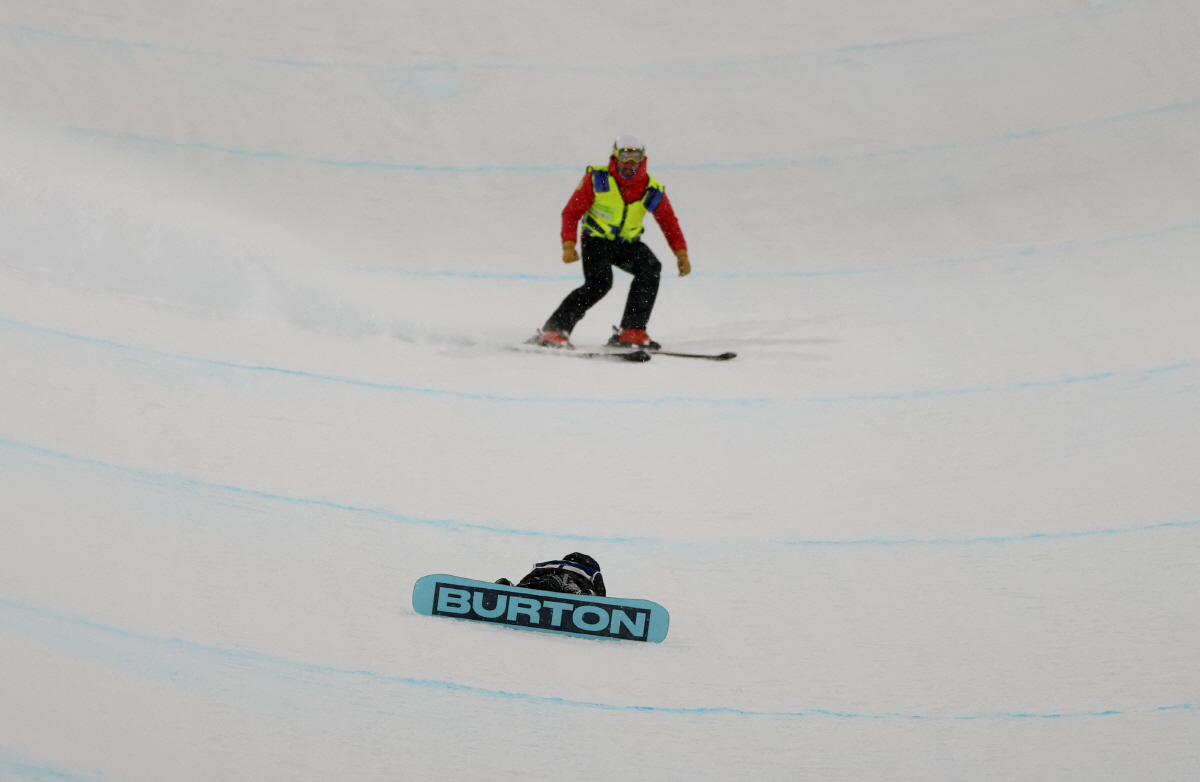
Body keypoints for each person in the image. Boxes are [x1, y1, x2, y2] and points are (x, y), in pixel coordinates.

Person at [531, 135, 690, 350]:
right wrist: (569, 244)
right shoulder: (598, 180)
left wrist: (681, 253)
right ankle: (554, 330)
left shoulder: (650, 189)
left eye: (635, 157)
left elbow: (669, 221)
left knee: (650, 267)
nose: (629, 163)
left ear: (643, 160)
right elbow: (571, 213)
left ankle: (632, 330)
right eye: (624, 156)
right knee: (600, 283)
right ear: (615, 157)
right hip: (596, 241)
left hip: (627, 244)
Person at [495, 552, 606, 597]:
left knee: (537, 583)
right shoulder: (590, 571)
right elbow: (600, 588)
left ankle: (514, 588)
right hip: (571, 578)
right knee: (567, 588)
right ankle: (578, 595)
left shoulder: (552, 563)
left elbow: (532, 573)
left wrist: (521, 584)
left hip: (544, 574)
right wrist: (596, 597)